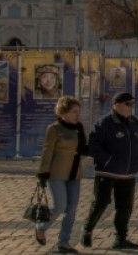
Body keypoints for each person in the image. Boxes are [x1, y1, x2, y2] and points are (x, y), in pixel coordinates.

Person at [82, 92, 138, 250]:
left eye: (132, 104)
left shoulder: (136, 123)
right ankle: (87, 230)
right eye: (128, 104)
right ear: (117, 105)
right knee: (101, 203)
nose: (131, 107)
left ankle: (121, 238)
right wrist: (108, 160)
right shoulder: (104, 123)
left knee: (125, 207)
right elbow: (93, 147)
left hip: (128, 174)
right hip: (107, 173)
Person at [35, 96, 88, 253]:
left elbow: (84, 148)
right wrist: (43, 173)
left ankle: (64, 242)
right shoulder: (54, 128)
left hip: (74, 174)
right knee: (60, 206)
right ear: (63, 112)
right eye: (74, 112)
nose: (77, 115)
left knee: (71, 210)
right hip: (56, 173)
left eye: (78, 112)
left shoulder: (79, 127)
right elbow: (47, 152)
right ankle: (41, 227)